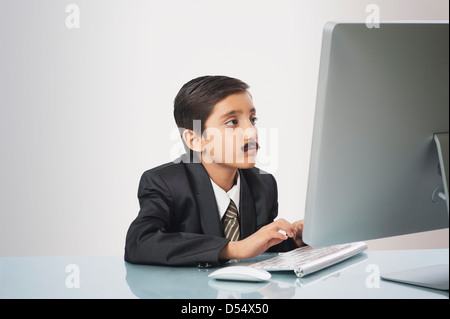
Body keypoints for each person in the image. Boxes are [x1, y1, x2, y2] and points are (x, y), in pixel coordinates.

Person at [124, 75, 305, 267]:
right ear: (194, 139)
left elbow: (260, 251)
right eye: (232, 122)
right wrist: (235, 248)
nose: (252, 132)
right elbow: (140, 243)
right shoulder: (165, 183)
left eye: (252, 119)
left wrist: (295, 240)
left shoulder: (263, 184)